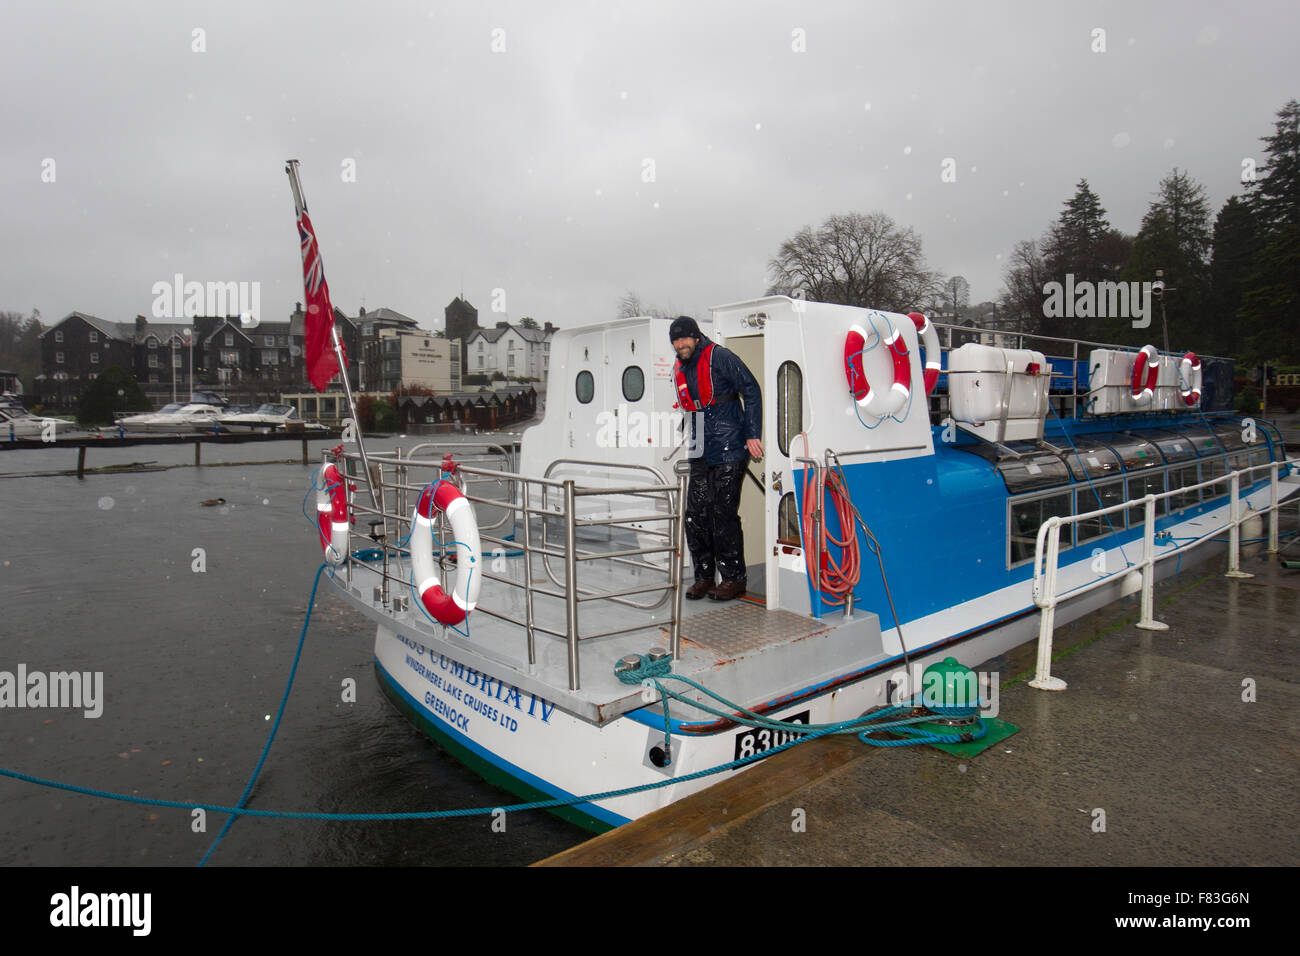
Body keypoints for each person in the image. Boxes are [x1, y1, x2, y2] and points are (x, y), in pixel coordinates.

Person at [669, 316, 763, 601]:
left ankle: (734, 578)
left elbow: (751, 389)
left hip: (729, 443)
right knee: (695, 515)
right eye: (675, 340)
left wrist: (752, 433)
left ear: (696, 337)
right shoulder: (681, 365)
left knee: (723, 513)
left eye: (684, 338)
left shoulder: (720, 357)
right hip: (699, 442)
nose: (680, 344)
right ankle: (705, 576)